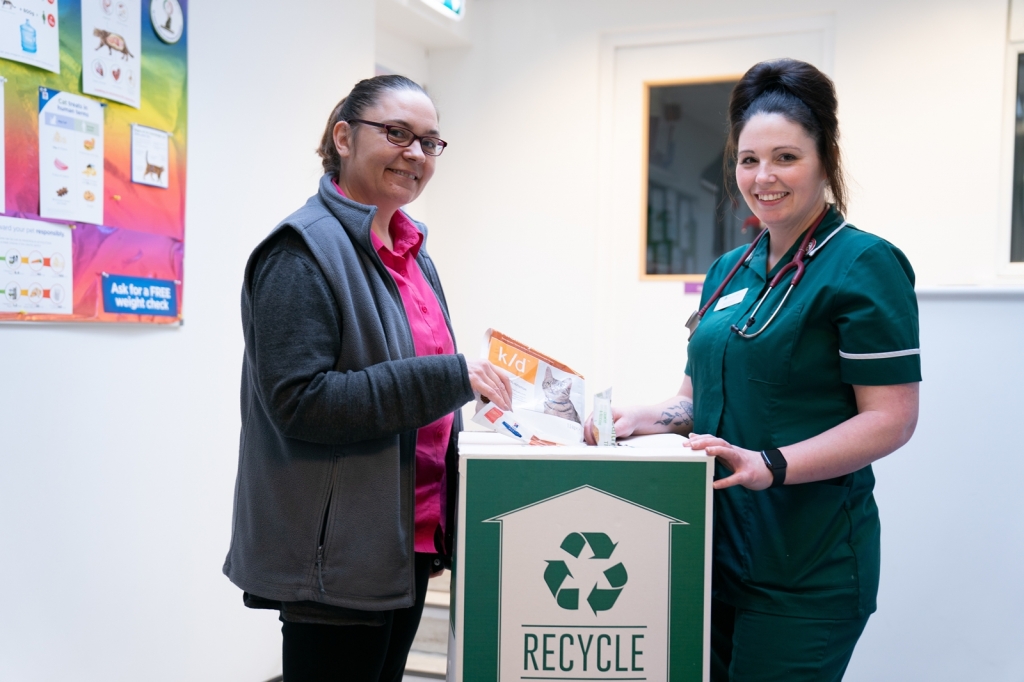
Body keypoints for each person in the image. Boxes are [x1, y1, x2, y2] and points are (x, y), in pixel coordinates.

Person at [585, 58, 921, 681]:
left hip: (805, 566)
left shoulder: (865, 264)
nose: (763, 177)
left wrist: (772, 465)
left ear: (825, 159)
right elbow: (696, 400)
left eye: (786, 158)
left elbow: (891, 420)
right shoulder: (729, 271)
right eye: (748, 159)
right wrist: (638, 418)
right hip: (711, 555)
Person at [223, 75, 512, 681]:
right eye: (398, 133)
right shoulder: (301, 252)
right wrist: (454, 376)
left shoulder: (409, 248)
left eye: (430, 142)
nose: (415, 153)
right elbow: (302, 402)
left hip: (407, 534)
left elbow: (415, 388)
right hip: (337, 554)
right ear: (345, 137)